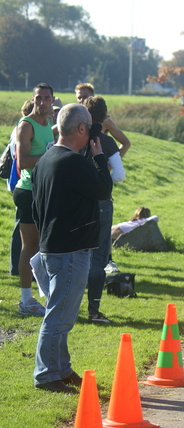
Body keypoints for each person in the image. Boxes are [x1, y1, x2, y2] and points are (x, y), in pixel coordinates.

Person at [31, 103, 113, 393]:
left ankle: (61, 368)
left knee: (61, 313)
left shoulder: (46, 159)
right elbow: (104, 189)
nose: (91, 132)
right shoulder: (74, 162)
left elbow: (36, 207)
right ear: (81, 129)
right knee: (59, 317)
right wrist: (101, 156)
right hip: (70, 251)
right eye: (89, 126)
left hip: (52, 247)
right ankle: (46, 374)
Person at [81, 95, 126, 323]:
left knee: (77, 254)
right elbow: (119, 175)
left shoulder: (75, 138)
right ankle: (94, 310)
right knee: (98, 259)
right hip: (101, 203)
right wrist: (104, 168)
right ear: (104, 114)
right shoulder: (106, 143)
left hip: (77, 201)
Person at [13, 83, 55, 316]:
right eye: (38, 98)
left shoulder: (48, 122)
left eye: (46, 98)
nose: (42, 102)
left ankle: (45, 294)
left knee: (42, 246)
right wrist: (51, 155)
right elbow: (23, 162)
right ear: (33, 99)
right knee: (30, 246)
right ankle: (25, 300)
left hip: (42, 191)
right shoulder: (26, 126)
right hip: (28, 191)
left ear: (52, 100)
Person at [8, 100, 34, 277]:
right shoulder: (23, 129)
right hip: (23, 184)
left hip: (22, 183)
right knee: (23, 233)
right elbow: (19, 159)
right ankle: (17, 269)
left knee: (24, 234)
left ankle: (18, 269)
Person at [75, 83, 131, 157]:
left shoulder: (104, 121)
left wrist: (110, 163)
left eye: (85, 96)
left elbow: (126, 143)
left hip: (98, 165)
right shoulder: (74, 117)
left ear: (92, 97)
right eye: (79, 98)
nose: (82, 100)